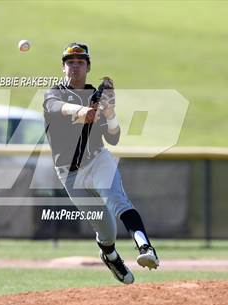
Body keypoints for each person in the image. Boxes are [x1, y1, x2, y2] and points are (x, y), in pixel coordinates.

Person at [43, 43, 159, 284]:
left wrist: (110, 113)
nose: (75, 66)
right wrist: (84, 110)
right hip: (70, 173)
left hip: (97, 159)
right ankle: (110, 255)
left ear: (88, 67)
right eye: (70, 62)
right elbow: (58, 108)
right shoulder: (52, 94)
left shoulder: (97, 96)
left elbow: (114, 136)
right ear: (63, 67)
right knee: (106, 230)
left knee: (118, 200)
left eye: (80, 62)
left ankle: (145, 247)